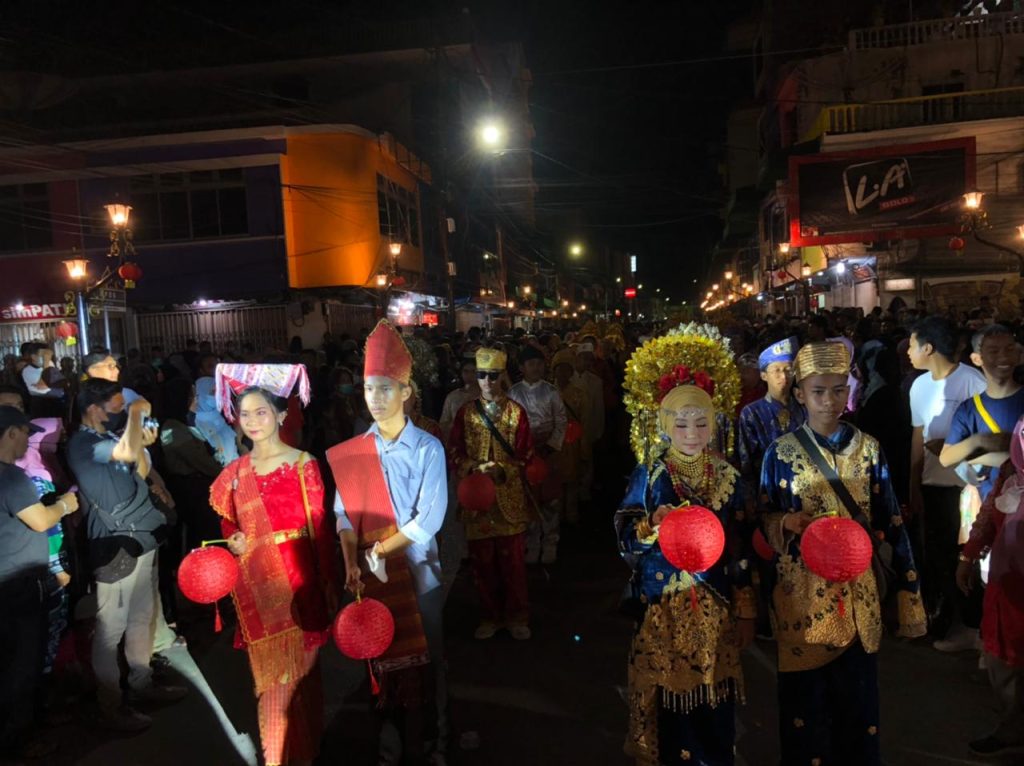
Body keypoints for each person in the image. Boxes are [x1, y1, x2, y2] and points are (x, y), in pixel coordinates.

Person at [760, 341, 927, 766]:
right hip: (803, 600)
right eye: (819, 391)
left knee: (858, 708)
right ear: (800, 393)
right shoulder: (779, 453)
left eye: (839, 389)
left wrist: (908, 592)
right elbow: (759, 518)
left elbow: (891, 518)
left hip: (858, 595)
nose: (830, 401)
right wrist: (784, 523)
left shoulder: (869, 449)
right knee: (805, 711)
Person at [615, 336, 756, 766]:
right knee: (669, 697)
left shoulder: (728, 475)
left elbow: (741, 541)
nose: (692, 434)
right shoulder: (651, 472)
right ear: (663, 425)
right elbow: (624, 528)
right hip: (663, 604)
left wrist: (746, 602)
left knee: (713, 693)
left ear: (714, 424)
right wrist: (649, 526)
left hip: (716, 601)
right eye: (681, 425)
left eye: (701, 424)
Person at [326, 321, 448, 765]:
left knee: (427, 659)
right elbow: (342, 513)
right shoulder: (355, 450)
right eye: (368, 389)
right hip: (371, 576)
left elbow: (428, 521)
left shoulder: (427, 448)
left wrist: (377, 550)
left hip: (418, 573)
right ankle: (389, 744)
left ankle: (436, 740)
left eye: (384, 388)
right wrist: (349, 557)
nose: (375, 399)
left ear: (407, 391)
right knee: (380, 663)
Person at [210, 365, 336, 766]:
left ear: (282, 414)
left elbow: (320, 530)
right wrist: (233, 539)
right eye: (244, 414)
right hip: (256, 589)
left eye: (261, 412)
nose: (252, 421)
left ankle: (306, 748)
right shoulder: (232, 475)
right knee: (269, 688)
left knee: (302, 681)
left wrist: (330, 584)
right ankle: (278, 755)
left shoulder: (304, 464)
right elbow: (228, 526)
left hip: (299, 585)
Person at [66, 379, 185, 732]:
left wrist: (142, 444)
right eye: (116, 406)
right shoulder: (82, 444)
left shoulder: (107, 439)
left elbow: (139, 469)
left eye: (123, 406)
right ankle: (111, 705)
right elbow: (125, 454)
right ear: (93, 408)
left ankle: (141, 684)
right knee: (110, 628)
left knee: (141, 617)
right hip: (115, 545)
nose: (121, 412)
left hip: (142, 537)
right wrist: (135, 412)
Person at [0, 406, 78, 761]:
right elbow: (40, 519)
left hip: (6, 580)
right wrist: (64, 505)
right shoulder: (12, 478)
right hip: (20, 583)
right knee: (24, 663)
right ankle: (21, 737)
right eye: (24, 434)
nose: (28, 441)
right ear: (12, 433)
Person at [908, 315, 987, 643]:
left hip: (968, 488)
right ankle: (950, 621)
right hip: (934, 486)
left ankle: (972, 625)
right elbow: (917, 438)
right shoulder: (918, 385)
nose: (907, 352)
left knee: (967, 556)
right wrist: (913, 486)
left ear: (928, 347)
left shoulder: (972, 382)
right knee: (938, 556)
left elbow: (989, 438)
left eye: (912, 345)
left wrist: (952, 451)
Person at [448, 347, 534, 640]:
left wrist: (504, 470)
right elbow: (455, 450)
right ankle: (490, 615)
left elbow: (525, 452)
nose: (486, 381)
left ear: (502, 377)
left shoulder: (516, 413)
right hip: (477, 499)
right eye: (481, 374)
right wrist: (471, 466)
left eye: (492, 375)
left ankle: (517, 615)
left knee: (512, 563)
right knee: (482, 563)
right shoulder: (465, 413)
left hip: (508, 496)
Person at [958, 415, 1024, 758]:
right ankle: (1011, 726)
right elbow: (987, 518)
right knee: (1003, 664)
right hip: (1006, 585)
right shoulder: (1010, 475)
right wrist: (968, 557)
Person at [509, 344, 567, 563]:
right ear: (522, 367)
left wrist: (552, 445)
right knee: (529, 499)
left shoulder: (551, 391)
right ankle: (532, 543)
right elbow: (510, 424)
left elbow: (561, 420)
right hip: (525, 452)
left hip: (548, 451)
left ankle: (550, 541)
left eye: (539, 363)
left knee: (550, 498)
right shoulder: (514, 392)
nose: (536, 367)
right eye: (531, 364)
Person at [736, 337, 805, 483]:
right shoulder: (752, 413)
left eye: (788, 369)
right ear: (764, 375)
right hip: (767, 487)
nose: (784, 376)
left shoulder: (804, 408)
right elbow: (746, 460)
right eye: (777, 370)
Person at [552, 348, 587, 525]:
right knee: (556, 479)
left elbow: (584, 421)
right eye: (560, 368)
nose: (563, 372)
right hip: (554, 443)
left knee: (572, 479)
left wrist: (584, 445)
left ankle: (571, 512)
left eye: (567, 368)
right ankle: (556, 514)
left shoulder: (578, 394)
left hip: (572, 442)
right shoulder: (549, 392)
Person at [439, 356, 479, 441]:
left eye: (473, 372)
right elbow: (443, 423)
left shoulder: (484, 395)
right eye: (466, 371)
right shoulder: (453, 396)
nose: (470, 375)